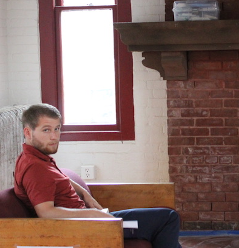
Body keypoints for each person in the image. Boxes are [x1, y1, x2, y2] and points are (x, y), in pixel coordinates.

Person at [14, 103, 182, 248]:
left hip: (91, 221)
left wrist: (85, 194)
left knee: (161, 220)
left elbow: (60, 177)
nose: (54, 136)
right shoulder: (35, 167)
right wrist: (93, 214)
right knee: (167, 218)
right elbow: (46, 212)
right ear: (28, 132)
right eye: (46, 130)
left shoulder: (37, 157)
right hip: (88, 228)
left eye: (57, 129)